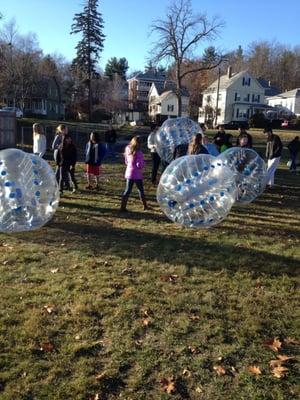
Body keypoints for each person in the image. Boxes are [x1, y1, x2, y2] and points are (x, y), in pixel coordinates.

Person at [120, 136, 148, 212]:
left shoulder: (127, 148)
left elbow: (126, 161)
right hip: (137, 174)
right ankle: (145, 206)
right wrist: (143, 163)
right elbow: (139, 165)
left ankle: (122, 206)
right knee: (140, 190)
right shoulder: (139, 152)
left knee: (127, 190)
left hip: (129, 172)